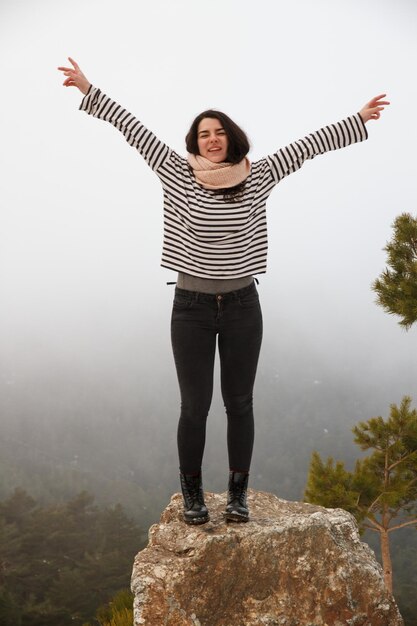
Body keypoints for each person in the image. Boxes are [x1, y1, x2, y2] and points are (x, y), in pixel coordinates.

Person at [58, 57, 389, 525]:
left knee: (240, 403)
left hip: (241, 306)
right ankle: (192, 495)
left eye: (218, 132)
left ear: (232, 137)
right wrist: (89, 89)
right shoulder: (176, 173)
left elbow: (308, 146)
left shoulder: (258, 176)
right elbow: (133, 130)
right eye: (203, 135)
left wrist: (357, 119)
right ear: (194, 144)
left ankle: (237, 496)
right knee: (194, 407)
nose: (211, 140)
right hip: (190, 307)